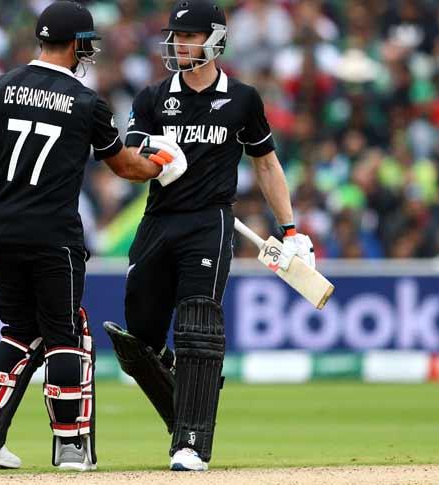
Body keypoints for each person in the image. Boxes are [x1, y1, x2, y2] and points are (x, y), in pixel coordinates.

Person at [0, 0, 187, 472]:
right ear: (75, 45)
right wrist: (162, 164)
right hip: (54, 234)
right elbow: (123, 166)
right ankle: (71, 446)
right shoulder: (86, 102)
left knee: (19, 333)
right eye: (86, 46)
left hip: (5, 230)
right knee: (65, 335)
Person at [104, 0, 315, 472]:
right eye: (175, 36)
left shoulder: (242, 99)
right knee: (139, 337)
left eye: (189, 36)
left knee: (198, 324)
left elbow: (266, 163)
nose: (179, 44)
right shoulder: (153, 98)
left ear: (214, 40)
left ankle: (191, 443)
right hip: (158, 220)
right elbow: (132, 157)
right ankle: (188, 393)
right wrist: (155, 155)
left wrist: (291, 230)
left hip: (210, 223)